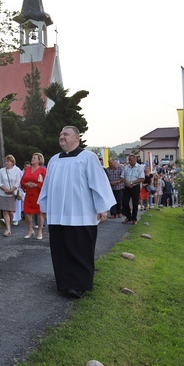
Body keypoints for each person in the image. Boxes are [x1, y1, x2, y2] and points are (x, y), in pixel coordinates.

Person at [37, 126, 115, 298]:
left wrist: (102, 207)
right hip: (58, 213)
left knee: (80, 249)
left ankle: (79, 284)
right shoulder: (54, 159)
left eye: (65, 134)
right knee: (61, 250)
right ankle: (64, 282)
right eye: (60, 134)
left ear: (76, 138)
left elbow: (98, 182)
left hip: (82, 214)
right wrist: (44, 206)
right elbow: (48, 186)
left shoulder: (88, 157)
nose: (61, 136)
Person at [20, 152, 47, 239]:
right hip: (28, 194)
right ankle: (30, 230)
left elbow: (46, 183)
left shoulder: (43, 170)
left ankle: (39, 231)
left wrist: (36, 185)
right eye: (32, 157)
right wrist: (26, 184)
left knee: (39, 213)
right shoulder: (27, 169)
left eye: (34, 158)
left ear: (39, 160)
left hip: (38, 194)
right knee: (27, 212)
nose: (32, 159)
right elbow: (22, 181)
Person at [0, 154, 21, 237]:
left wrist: (12, 189)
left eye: (8, 161)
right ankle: (8, 229)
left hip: (12, 193)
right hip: (3, 193)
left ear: (12, 162)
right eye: (6, 161)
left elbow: (18, 182)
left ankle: (9, 225)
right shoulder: (1, 170)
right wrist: (4, 189)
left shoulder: (17, 170)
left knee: (11, 212)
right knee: (5, 211)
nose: (6, 163)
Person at [120, 154, 145, 225]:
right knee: (124, 202)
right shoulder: (126, 167)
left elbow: (142, 178)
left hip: (135, 187)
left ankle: (134, 218)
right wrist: (127, 183)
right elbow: (122, 177)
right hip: (127, 187)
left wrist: (132, 182)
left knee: (135, 203)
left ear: (135, 160)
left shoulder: (139, 167)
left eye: (131, 160)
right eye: (129, 160)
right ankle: (128, 217)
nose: (129, 161)